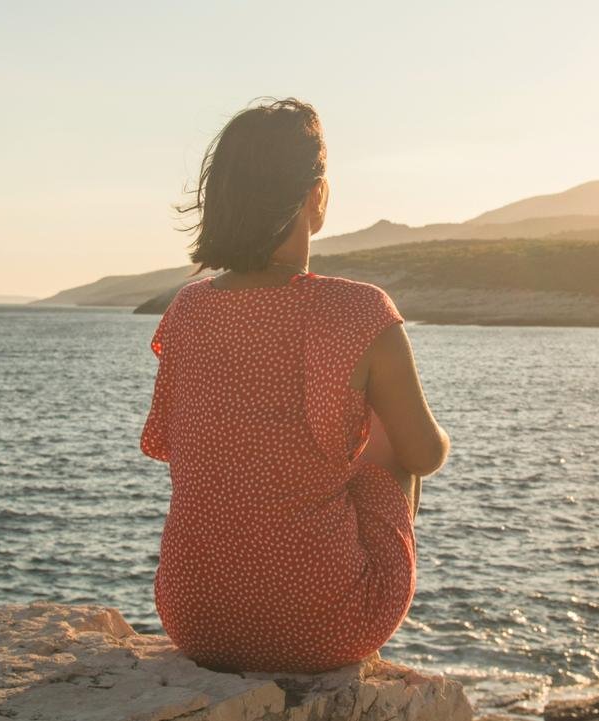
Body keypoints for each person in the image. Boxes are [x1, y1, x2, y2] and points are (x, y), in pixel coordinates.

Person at [140, 98, 449, 674]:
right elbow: (422, 455)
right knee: (388, 443)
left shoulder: (186, 309)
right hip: (326, 627)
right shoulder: (359, 310)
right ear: (318, 197)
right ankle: (360, 642)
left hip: (194, 621)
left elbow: (186, 451)